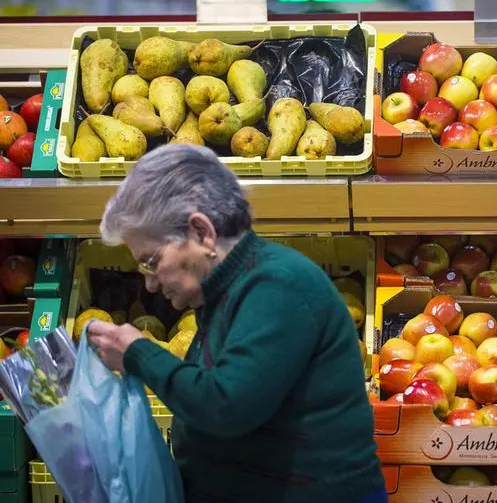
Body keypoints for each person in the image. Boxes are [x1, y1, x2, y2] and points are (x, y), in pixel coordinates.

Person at [87, 143, 386, 503]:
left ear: (201, 232)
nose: (149, 283)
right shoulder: (224, 293)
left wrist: (139, 353)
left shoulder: (278, 285)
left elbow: (227, 406)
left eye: (152, 261)